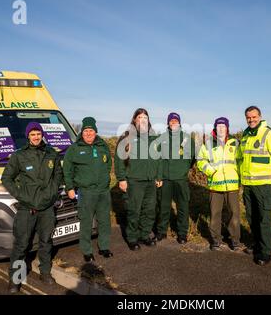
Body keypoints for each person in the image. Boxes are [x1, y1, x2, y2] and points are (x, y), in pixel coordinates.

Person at [1, 122, 63, 294]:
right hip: (27, 208)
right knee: (21, 245)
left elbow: (58, 175)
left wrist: (52, 193)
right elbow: (6, 178)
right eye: (33, 134)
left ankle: (45, 273)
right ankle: (15, 279)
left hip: (47, 208)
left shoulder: (51, 153)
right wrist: (22, 196)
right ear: (28, 136)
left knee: (46, 242)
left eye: (38, 133)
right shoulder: (19, 155)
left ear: (42, 135)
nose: (36, 137)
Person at [239, 106, 271, 266]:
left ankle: (266, 252)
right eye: (248, 117)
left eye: (254, 117)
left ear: (260, 116)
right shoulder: (245, 134)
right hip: (248, 184)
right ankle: (257, 245)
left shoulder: (269, 133)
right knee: (252, 217)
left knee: (264, 218)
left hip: (263, 185)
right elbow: (241, 157)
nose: (251, 120)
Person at [63, 117, 113, 262]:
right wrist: (70, 187)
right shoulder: (74, 149)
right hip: (86, 192)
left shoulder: (102, 146)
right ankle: (87, 250)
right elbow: (67, 170)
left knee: (104, 221)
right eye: (86, 131)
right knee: (86, 222)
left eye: (91, 130)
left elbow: (108, 164)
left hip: (103, 191)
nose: (89, 133)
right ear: (82, 132)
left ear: (95, 132)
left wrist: (105, 180)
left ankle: (104, 247)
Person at [114, 108, 163, 250]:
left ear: (148, 120)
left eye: (145, 117)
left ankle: (144, 235)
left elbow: (159, 159)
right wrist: (121, 178)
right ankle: (132, 238)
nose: (143, 119)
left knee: (149, 210)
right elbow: (119, 159)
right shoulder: (127, 136)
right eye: (140, 117)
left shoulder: (154, 138)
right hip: (134, 180)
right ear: (135, 120)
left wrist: (159, 176)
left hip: (150, 181)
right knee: (134, 210)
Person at [197, 117, 241, 251]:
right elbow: (200, 160)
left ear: (227, 128)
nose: (221, 128)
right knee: (215, 214)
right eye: (219, 126)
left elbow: (241, 161)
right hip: (215, 185)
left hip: (232, 185)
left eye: (223, 126)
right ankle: (216, 240)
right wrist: (210, 171)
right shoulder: (208, 144)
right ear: (215, 128)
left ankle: (234, 240)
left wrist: (240, 177)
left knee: (234, 213)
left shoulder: (235, 143)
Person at [155, 112, 195, 244]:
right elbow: (157, 158)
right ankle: (161, 232)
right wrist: (159, 176)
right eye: (171, 121)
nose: (173, 123)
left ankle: (182, 234)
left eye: (175, 121)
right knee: (164, 206)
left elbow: (192, 157)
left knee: (183, 207)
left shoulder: (187, 138)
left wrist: (183, 169)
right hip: (165, 179)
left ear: (179, 123)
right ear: (168, 123)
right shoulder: (162, 138)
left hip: (181, 179)